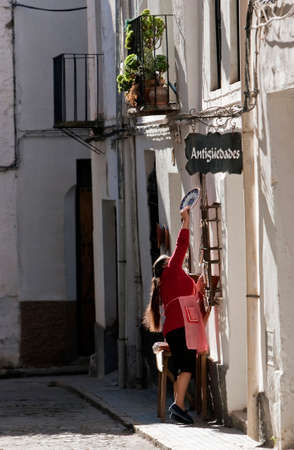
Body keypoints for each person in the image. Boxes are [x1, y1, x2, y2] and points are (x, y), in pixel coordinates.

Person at [143, 206, 208, 424]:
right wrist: (186, 221)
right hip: (183, 326)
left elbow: (188, 294)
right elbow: (181, 245)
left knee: (183, 367)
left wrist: (198, 287)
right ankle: (177, 405)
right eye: (170, 259)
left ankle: (178, 407)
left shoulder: (164, 285)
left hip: (173, 329)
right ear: (166, 265)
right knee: (188, 367)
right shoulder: (172, 270)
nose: (174, 259)